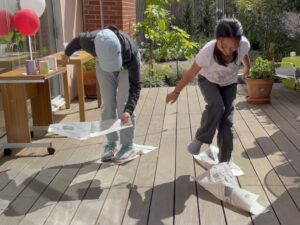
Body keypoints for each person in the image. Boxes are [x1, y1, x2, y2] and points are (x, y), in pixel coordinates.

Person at [166, 18, 250, 163]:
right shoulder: (207, 52)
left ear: (239, 42)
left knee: (226, 123)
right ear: (217, 39)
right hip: (208, 81)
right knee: (217, 106)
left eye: (233, 48)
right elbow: (191, 73)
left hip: (229, 84)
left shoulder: (244, 45)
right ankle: (200, 139)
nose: (228, 51)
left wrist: (247, 67)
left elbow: (244, 53)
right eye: (225, 47)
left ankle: (225, 162)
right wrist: (176, 92)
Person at [62, 25, 141, 163]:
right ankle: (111, 143)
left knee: (123, 103)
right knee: (108, 104)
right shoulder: (90, 41)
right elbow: (77, 41)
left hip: (126, 67)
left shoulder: (130, 52)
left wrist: (128, 110)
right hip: (103, 66)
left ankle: (128, 145)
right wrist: (66, 54)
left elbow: (135, 87)